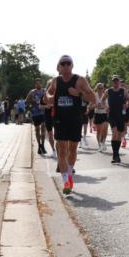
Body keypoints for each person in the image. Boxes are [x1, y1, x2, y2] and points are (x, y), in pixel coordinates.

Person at [46, 55, 96, 195]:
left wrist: (78, 93)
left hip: (75, 119)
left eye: (68, 63)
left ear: (72, 66)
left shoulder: (79, 80)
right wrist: (49, 97)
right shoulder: (55, 81)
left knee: (72, 149)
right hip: (60, 119)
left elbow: (93, 98)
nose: (66, 66)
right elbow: (47, 95)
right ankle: (66, 181)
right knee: (62, 150)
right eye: (63, 63)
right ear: (59, 67)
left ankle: (69, 173)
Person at [105, 75, 127, 163]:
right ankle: (115, 155)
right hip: (112, 115)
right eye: (114, 81)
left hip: (121, 115)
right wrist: (106, 107)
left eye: (117, 81)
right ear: (112, 82)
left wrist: (127, 104)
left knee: (119, 135)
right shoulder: (108, 91)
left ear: (119, 82)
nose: (116, 82)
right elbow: (102, 100)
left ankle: (117, 154)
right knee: (114, 133)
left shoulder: (123, 91)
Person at [26, 80, 48, 154]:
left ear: (41, 84)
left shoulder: (45, 91)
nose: (38, 85)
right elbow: (27, 101)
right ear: (35, 85)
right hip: (35, 113)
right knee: (37, 130)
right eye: (36, 83)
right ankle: (39, 145)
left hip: (43, 112)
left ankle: (43, 145)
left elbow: (49, 99)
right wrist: (31, 107)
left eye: (39, 83)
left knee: (43, 129)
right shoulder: (32, 92)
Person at [93, 82, 109, 152]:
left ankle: (103, 142)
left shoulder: (105, 95)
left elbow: (108, 106)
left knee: (105, 130)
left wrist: (105, 106)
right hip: (97, 114)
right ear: (97, 89)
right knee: (99, 131)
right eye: (99, 88)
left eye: (102, 88)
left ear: (103, 89)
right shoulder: (94, 96)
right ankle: (99, 145)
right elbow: (90, 106)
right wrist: (96, 105)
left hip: (105, 114)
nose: (100, 89)